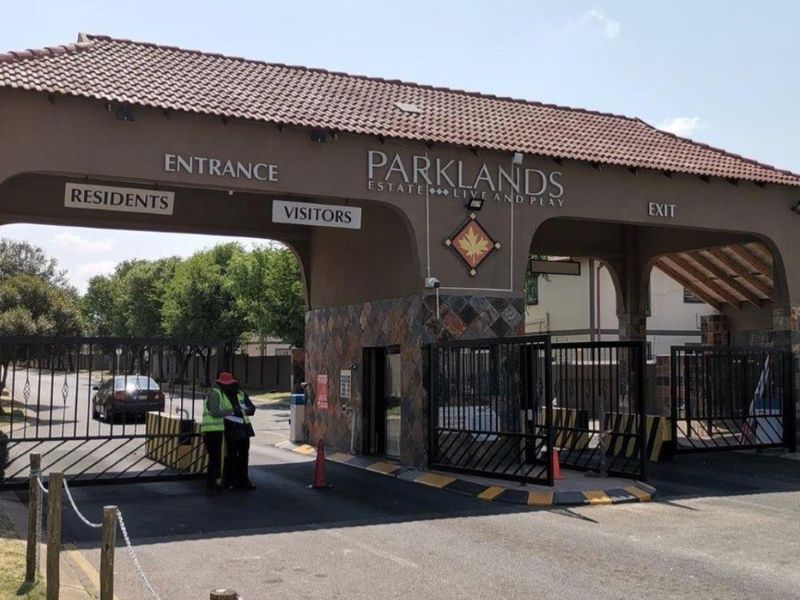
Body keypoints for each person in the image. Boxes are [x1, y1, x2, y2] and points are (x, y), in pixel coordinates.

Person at [200, 371, 256, 494]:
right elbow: (217, 412)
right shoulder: (220, 394)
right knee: (228, 457)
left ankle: (242, 480)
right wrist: (233, 411)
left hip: (243, 428)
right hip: (229, 428)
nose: (229, 386)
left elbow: (251, 408)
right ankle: (228, 482)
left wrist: (245, 410)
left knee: (243, 456)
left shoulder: (240, 394)